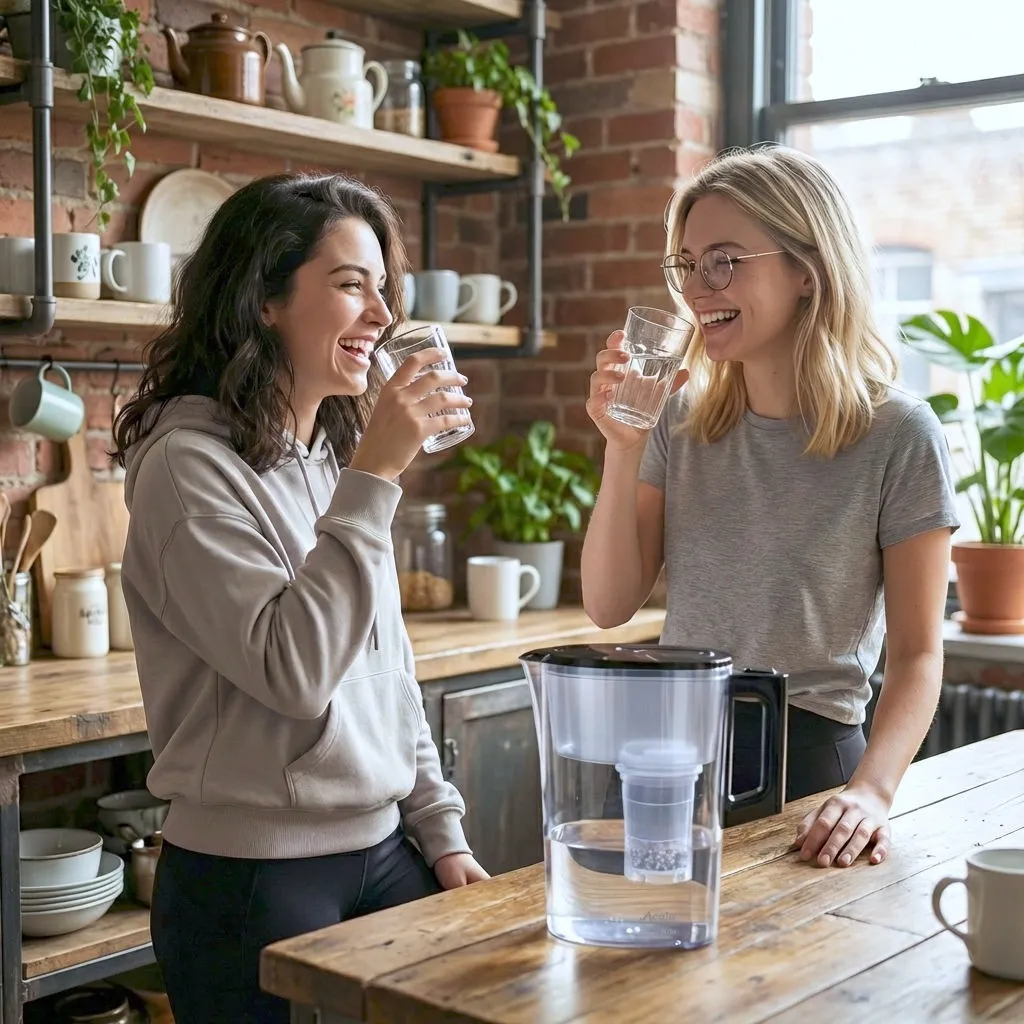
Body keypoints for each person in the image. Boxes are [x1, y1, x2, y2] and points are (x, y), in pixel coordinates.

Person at [112, 172, 488, 1024]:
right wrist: (378, 474)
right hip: (253, 882)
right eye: (351, 284)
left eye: (382, 288)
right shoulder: (186, 466)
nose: (382, 316)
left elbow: (386, 664)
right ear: (266, 300)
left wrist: (440, 829)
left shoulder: (330, 459)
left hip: (387, 850)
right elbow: (293, 672)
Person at [581, 145, 958, 871]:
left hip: (810, 769)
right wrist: (620, 448)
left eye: (724, 260)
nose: (697, 287)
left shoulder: (900, 435)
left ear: (807, 274)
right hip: (670, 750)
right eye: (687, 264)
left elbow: (917, 654)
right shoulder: (676, 421)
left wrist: (872, 793)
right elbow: (608, 603)